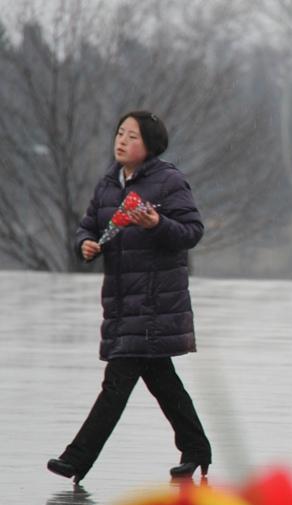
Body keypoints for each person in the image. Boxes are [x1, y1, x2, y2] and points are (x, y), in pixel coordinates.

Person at [47, 111, 211, 483]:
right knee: (163, 382)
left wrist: (157, 224)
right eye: (119, 133)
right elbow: (88, 226)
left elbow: (192, 232)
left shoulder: (168, 181)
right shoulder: (108, 183)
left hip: (154, 302)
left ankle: (77, 458)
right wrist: (84, 245)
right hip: (121, 301)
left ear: (150, 145)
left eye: (131, 136)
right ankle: (197, 449)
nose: (121, 141)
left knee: (117, 382)